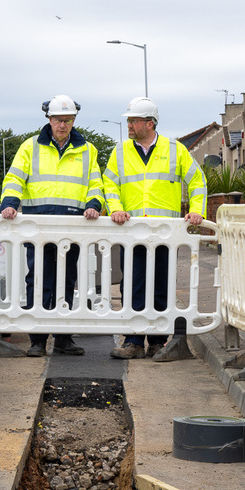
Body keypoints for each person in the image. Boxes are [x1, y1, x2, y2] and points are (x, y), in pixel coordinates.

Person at [102, 96, 207, 361]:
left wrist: (197, 210)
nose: (128, 125)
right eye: (128, 120)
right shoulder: (120, 151)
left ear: (149, 123)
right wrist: (115, 208)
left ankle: (159, 341)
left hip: (164, 232)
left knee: (161, 284)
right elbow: (109, 184)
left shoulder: (175, 150)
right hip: (132, 231)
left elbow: (197, 181)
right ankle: (134, 340)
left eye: (133, 120)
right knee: (133, 285)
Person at [0, 94, 103, 357]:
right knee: (38, 281)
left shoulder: (87, 149)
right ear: (49, 119)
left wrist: (94, 203)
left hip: (71, 226)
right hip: (39, 226)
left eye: (68, 120)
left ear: (73, 120)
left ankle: (63, 338)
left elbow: (96, 183)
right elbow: (15, 177)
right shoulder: (30, 146)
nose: (63, 124)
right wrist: (9, 203)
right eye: (59, 119)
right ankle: (37, 340)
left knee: (66, 281)